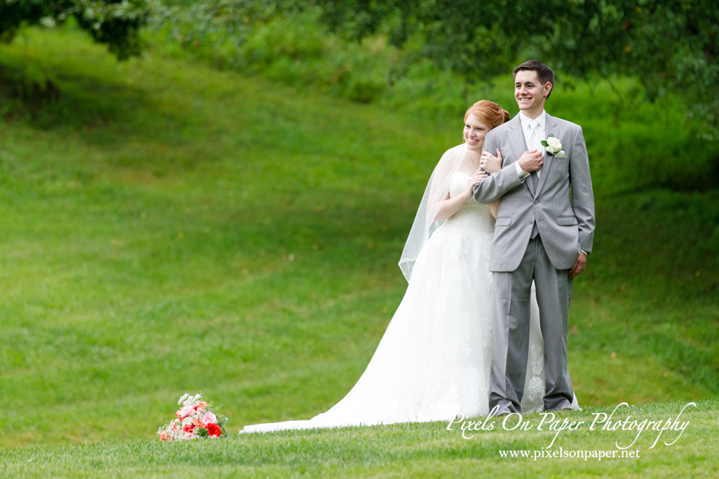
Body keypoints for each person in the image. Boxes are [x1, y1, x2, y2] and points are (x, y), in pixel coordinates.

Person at [241, 100, 576, 434]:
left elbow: (498, 215)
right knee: (456, 322)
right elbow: (435, 211)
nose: (471, 134)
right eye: (468, 126)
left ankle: (513, 397)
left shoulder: (501, 158)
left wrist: (495, 176)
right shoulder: (452, 157)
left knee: (503, 321)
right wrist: (467, 192)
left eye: (479, 129)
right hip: (452, 251)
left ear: (494, 132)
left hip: (491, 249)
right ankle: (458, 396)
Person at [472, 60, 595, 415]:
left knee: (555, 326)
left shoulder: (569, 134)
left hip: (558, 242)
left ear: (546, 88)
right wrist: (517, 169)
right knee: (509, 325)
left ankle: (558, 401)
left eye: (529, 85)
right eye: (517, 86)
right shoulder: (497, 137)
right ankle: (504, 403)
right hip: (511, 240)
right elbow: (482, 192)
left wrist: (583, 243)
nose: (521, 91)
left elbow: (583, 194)